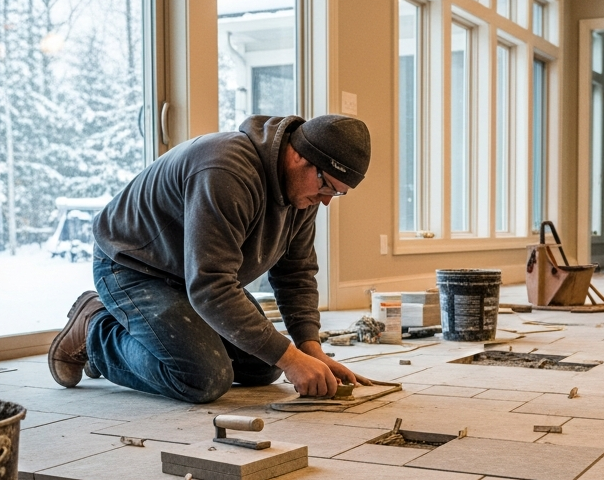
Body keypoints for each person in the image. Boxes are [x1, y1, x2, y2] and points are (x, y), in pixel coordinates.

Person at [46, 114, 372, 403]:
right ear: (301, 158)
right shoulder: (226, 169)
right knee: (203, 378)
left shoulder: (305, 194)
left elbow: (296, 273)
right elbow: (211, 287)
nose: (327, 201)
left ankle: (137, 330)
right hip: (133, 265)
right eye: (328, 186)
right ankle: (95, 331)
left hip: (192, 273)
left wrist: (309, 349)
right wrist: (293, 360)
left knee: (264, 366)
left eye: (338, 193)